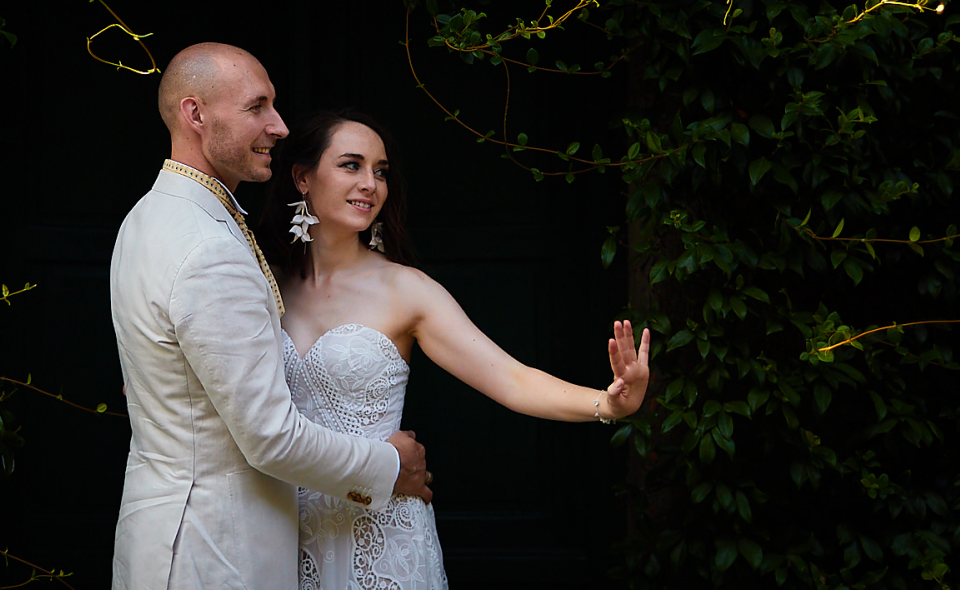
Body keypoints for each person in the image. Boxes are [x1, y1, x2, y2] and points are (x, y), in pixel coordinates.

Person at [255, 109, 651, 590]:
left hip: (383, 533)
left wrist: (606, 403)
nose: (370, 184)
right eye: (351, 165)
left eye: (380, 171)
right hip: (280, 532)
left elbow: (512, 378)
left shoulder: (407, 290)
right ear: (302, 177)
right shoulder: (261, 285)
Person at [109, 44, 434, 590]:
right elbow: (269, 438)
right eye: (257, 107)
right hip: (215, 551)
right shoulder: (208, 245)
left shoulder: (148, 217)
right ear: (196, 114)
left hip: (162, 535)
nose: (279, 127)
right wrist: (387, 467)